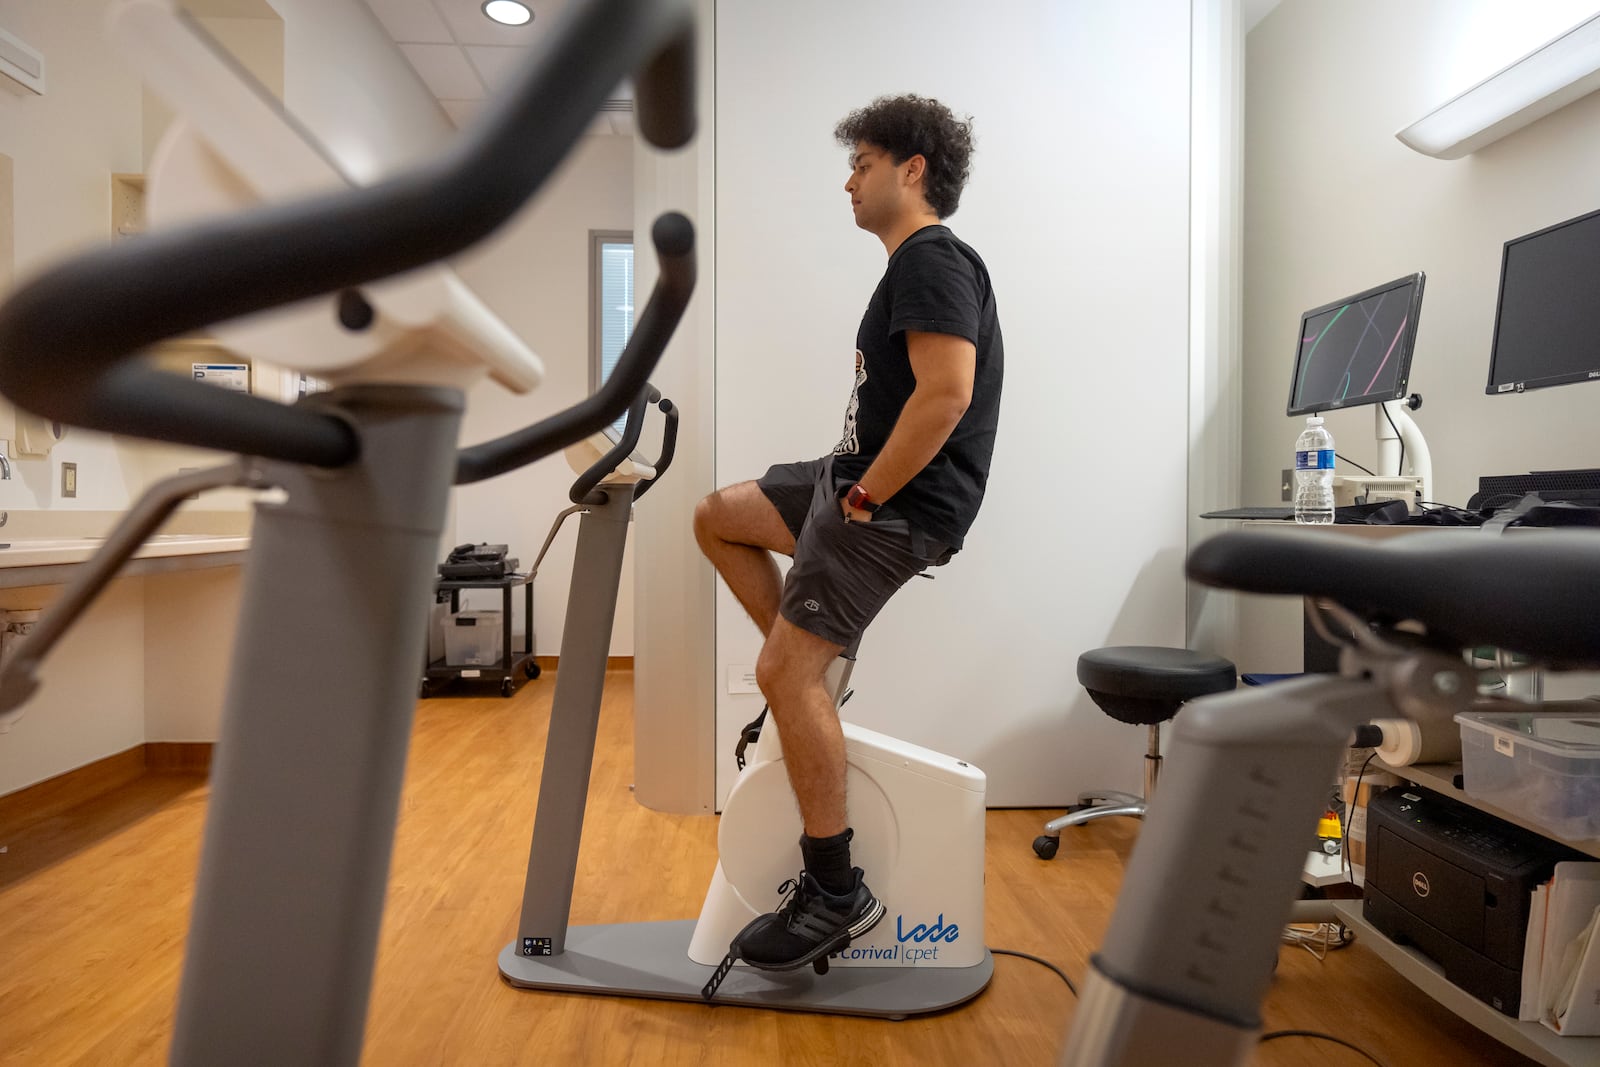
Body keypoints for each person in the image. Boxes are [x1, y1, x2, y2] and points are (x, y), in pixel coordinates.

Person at [693, 93, 1004, 976]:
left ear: (912, 170)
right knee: (718, 515)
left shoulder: (933, 259)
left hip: (898, 504)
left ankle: (835, 889)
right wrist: (849, 482)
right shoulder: (912, 265)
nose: (849, 179)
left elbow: (945, 395)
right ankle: (810, 676)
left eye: (862, 163)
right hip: (857, 479)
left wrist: (865, 494)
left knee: (780, 673)